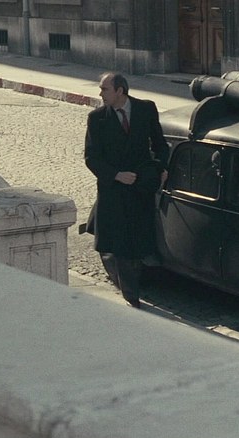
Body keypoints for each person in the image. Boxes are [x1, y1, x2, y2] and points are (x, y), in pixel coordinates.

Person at [83, 72, 169, 308]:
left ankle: (133, 282)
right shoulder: (97, 118)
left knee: (138, 239)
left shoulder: (145, 109)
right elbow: (91, 158)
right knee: (119, 243)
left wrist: (162, 167)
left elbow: (160, 144)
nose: (100, 94)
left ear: (120, 91)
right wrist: (116, 175)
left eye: (105, 89)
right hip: (114, 189)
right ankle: (131, 296)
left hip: (140, 186)